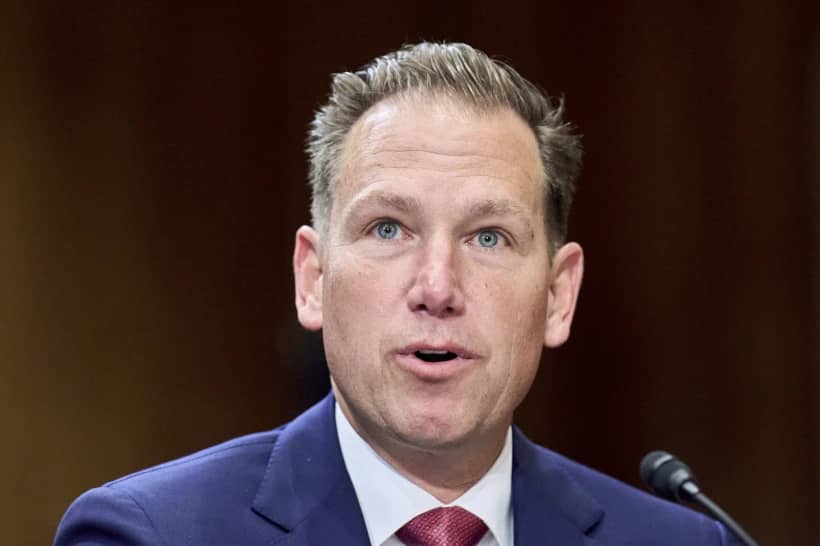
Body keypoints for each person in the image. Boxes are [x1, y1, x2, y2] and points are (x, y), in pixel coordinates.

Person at [55, 42, 741, 546]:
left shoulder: (680, 541)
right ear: (312, 278)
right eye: (389, 228)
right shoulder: (149, 535)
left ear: (558, 296)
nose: (437, 288)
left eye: (489, 237)